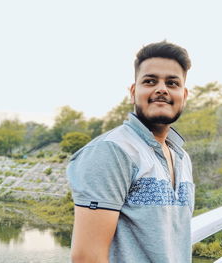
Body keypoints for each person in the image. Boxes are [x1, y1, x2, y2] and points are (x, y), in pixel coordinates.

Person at [67, 41, 195, 263]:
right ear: (134, 91)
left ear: (183, 95)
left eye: (172, 83)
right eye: (150, 81)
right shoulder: (112, 152)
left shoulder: (181, 157)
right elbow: (88, 258)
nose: (162, 89)